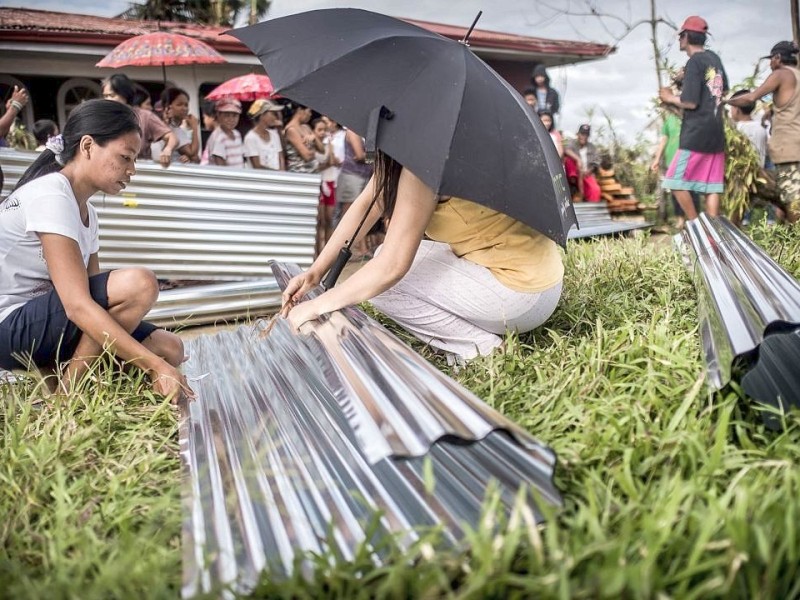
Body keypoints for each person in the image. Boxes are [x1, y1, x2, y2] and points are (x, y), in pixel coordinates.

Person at [280, 152, 565, 363]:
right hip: (536, 275)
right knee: (382, 257)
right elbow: (369, 202)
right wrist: (315, 272)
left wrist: (317, 306)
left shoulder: (426, 160)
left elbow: (392, 267)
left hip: (521, 296)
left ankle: (481, 349)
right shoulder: (423, 142)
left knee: (384, 288)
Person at [0, 99, 190, 399]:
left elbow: (96, 301)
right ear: (88, 146)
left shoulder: (87, 211)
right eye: (125, 157)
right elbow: (78, 305)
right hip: (10, 327)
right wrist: (154, 367)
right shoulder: (51, 196)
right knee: (140, 284)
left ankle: (69, 374)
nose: (132, 170)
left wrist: (160, 361)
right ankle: (68, 394)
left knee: (172, 348)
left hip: (48, 322)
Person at [658, 16, 729, 219]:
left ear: (686, 36)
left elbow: (690, 102)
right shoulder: (714, 59)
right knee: (712, 185)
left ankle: (695, 224)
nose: (680, 40)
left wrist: (669, 97)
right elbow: (721, 92)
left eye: (681, 35)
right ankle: (712, 234)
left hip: (696, 133)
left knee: (674, 181)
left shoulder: (694, 62)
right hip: (716, 131)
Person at [727, 41, 800, 223]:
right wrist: (772, 111)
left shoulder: (781, 74)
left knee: (792, 199)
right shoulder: (797, 76)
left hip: (789, 149)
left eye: (771, 60)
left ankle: (795, 243)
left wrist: (725, 101)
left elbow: (752, 97)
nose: (770, 64)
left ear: (778, 58)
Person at [650, 73, 700, 228]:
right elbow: (664, 139)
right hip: (672, 160)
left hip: (690, 159)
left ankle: (694, 220)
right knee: (675, 190)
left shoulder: (690, 118)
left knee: (691, 189)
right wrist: (657, 159)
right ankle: (680, 218)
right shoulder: (669, 120)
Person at [102, 74, 179, 167]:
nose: (107, 100)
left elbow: (172, 138)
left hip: (139, 171)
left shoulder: (144, 116)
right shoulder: (102, 117)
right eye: (105, 96)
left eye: (112, 95)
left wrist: (167, 150)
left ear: (125, 94)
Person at [314, 116, 344, 256]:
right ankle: (317, 251)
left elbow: (332, 161)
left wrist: (330, 147)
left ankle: (327, 252)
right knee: (319, 221)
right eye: (319, 129)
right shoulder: (313, 147)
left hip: (331, 181)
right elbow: (325, 164)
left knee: (328, 220)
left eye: (324, 129)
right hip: (320, 182)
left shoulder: (328, 144)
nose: (322, 132)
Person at [156, 87, 200, 163]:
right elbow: (192, 153)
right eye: (179, 105)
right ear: (168, 107)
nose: (184, 108)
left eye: (186, 105)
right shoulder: (172, 128)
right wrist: (195, 127)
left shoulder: (174, 127)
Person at [243, 98, 285, 171]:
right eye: (272, 113)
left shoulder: (274, 134)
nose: (275, 117)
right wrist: (277, 174)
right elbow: (257, 166)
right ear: (262, 115)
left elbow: (281, 157)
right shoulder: (250, 138)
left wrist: (282, 174)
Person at [563, 124, 601, 202]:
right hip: (574, 173)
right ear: (578, 134)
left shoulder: (592, 147)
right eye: (582, 134)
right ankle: (573, 182)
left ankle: (590, 204)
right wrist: (578, 159)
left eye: (586, 135)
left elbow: (596, 161)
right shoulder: (572, 143)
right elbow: (566, 150)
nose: (584, 137)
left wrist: (589, 170)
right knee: (568, 160)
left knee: (595, 190)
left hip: (586, 174)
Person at [205, 98, 246, 168]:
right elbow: (221, 167)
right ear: (218, 115)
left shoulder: (237, 134)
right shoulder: (218, 137)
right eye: (227, 115)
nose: (231, 119)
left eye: (235, 115)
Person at [283, 102, 321, 173]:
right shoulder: (291, 130)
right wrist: (315, 152)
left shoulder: (306, 127)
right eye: (309, 111)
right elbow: (307, 156)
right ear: (300, 110)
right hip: (300, 174)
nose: (310, 115)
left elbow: (322, 149)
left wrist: (314, 137)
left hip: (313, 173)